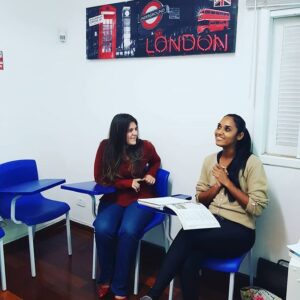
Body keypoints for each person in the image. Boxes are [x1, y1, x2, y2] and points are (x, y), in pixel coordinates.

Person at [141, 114, 268, 300]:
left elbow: (257, 207)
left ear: (239, 136)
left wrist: (227, 182)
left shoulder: (252, 163)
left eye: (227, 129)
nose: (219, 132)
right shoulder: (210, 161)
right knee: (189, 261)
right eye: (219, 126)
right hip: (212, 226)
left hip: (240, 232)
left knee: (188, 234)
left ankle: (154, 294)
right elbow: (200, 199)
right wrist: (216, 185)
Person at [94, 113, 161, 300]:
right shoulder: (105, 147)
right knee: (102, 228)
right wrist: (126, 183)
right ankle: (106, 278)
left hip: (141, 197)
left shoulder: (145, 146)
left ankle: (120, 286)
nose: (135, 133)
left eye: (136, 129)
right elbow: (100, 177)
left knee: (128, 231)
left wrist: (151, 174)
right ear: (118, 132)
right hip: (114, 197)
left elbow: (155, 161)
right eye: (130, 130)